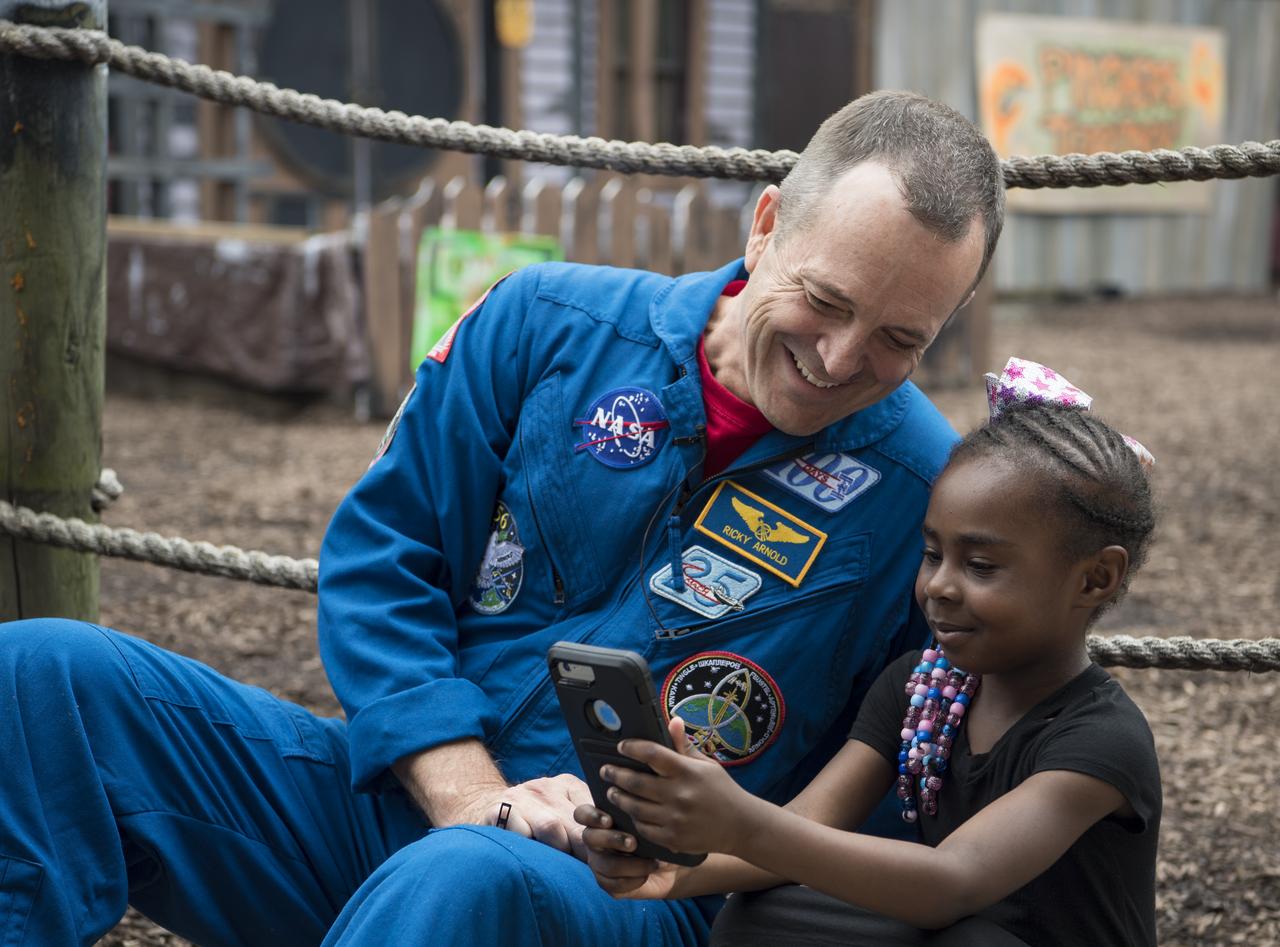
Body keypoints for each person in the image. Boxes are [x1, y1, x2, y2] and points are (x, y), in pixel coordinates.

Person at [0, 91, 1004, 946]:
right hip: (404, 806)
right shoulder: (543, 323)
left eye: (898, 338)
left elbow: (910, 783)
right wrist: (468, 792)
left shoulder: (929, 493)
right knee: (42, 677)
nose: (837, 359)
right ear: (766, 221)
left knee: (467, 878)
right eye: (822, 300)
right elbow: (386, 557)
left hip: (629, 900)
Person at [576, 371, 1160, 947]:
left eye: (980, 566)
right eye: (932, 555)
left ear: (1095, 578)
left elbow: (952, 882)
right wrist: (674, 866)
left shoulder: (1102, 739)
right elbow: (810, 825)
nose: (939, 587)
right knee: (767, 918)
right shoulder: (921, 688)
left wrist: (742, 823)